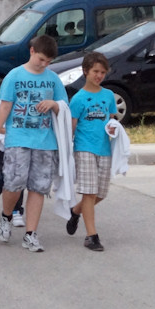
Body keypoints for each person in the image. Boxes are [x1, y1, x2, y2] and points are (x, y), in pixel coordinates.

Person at [0, 34, 68, 253]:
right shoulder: (14, 76)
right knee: (14, 182)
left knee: (38, 187)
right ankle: (6, 216)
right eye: (41, 59)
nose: (44, 64)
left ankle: (30, 234)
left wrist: (53, 104)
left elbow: (64, 105)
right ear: (32, 51)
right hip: (18, 139)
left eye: (48, 61)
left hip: (45, 141)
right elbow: (5, 107)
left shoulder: (53, 79)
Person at [66, 52, 118, 251]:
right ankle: (91, 236)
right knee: (89, 192)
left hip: (104, 148)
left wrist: (114, 129)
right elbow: (71, 127)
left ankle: (76, 211)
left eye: (103, 72)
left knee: (101, 193)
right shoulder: (78, 99)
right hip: (84, 148)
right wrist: (66, 151)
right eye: (96, 71)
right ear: (86, 71)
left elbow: (112, 120)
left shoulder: (108, 95)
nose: (99, 75)